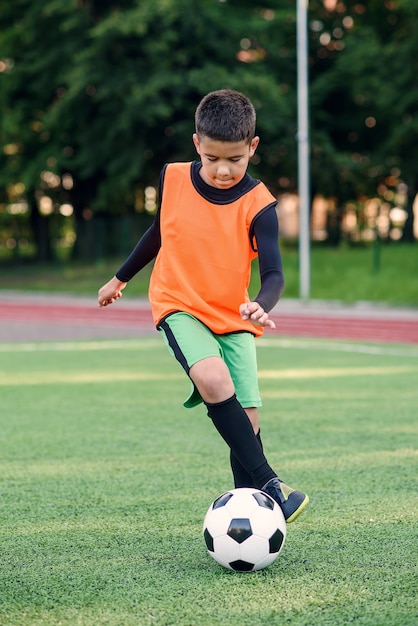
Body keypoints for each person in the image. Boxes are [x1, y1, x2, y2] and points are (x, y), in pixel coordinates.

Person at [98, 89, 309, 523]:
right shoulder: (173, 177)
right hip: (180, 304)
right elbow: (160, 231)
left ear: (252, 147)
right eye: (212, 158)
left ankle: (248, 521)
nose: (223, 169)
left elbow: (275, 275)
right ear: (197, 144)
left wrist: (261, 304)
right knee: (213, 380)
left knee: (245, 429)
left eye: (235, 159)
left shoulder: (260, 204)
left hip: (234, 315)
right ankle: (273, 485)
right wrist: (120, 278)